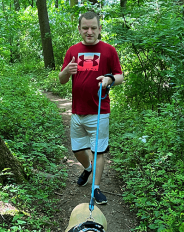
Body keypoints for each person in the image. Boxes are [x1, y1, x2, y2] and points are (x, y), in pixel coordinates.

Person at [59, 11, 124, 205]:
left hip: (99, 111)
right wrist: (66, 71)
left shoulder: (108, 50)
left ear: (99, 29)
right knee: (77, 150)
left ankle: (96, 188)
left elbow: (120, 76)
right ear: (79, 29)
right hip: (78, 111)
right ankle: (88, 168)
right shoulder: (72, 51)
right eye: (85, 28)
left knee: (98, 151)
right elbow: (62, 80)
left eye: (93, 28)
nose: (89, 31)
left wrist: (109, 79)